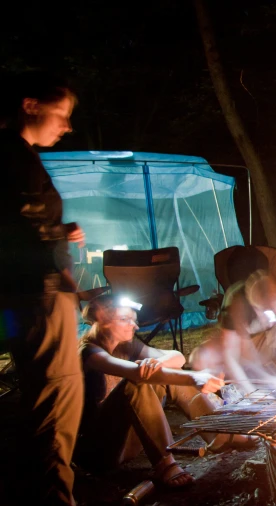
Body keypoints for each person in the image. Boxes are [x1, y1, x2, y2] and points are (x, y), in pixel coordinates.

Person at [0, 71, 85, 506]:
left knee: (50, 399)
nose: (67, 126)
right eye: (62, 114)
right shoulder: (12, 156)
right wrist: (55, 239)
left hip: (36, 296)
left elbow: (26, 221)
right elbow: (21, 228)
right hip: (40, 298)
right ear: (30, 105)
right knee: (57, 400)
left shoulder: (17, 155)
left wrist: (57, 228)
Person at [74, 295, 229, 488]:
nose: (135, 326)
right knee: (138, 383)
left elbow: (177, 357)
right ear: (101, 320)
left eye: (134, 320)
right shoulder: (89, 352)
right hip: (98, 451)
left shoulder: (127, 345)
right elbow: (137, 374)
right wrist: (194, 377)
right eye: (124, 319)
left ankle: (219, 435)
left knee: (165, 375)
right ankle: (166, 465)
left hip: (126, 443)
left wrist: (159, 363)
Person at [190, 246, 276, 393]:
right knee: (201, 358)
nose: (271, 321)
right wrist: (252, 392)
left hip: (270, 347)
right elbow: (231, 356)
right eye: (266, 315)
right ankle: (255, 387)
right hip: (245, 349)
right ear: (256, 308)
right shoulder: (237, 301)